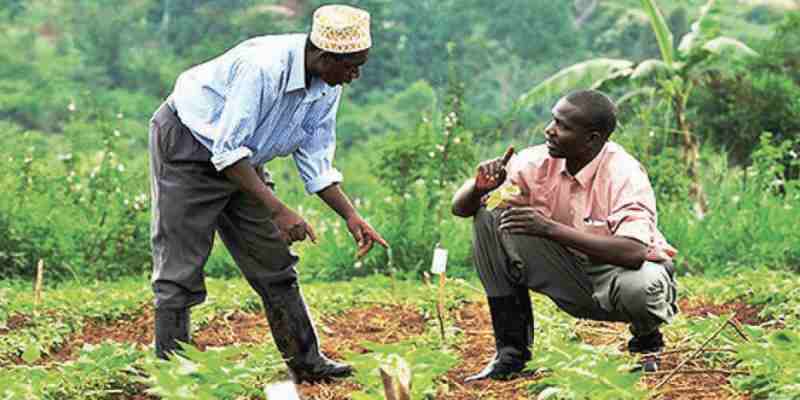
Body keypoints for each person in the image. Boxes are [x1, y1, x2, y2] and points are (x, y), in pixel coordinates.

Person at [148, 4, 388, 383]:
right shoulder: (263, 68)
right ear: (325, 55)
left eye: (360, 65)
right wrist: (278, 210)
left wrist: (351, 215)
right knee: (181, 266)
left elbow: (316, 160)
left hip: (243, 160)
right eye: (351, 66)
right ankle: (171, 377)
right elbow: (226, 150)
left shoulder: (327, 85)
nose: (354, 76)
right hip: (189, 146)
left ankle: (309, 364)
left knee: (275, 263)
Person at [452, 89, 678, 381]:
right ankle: (510, 354)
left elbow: (633, 252)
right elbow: (461, 208)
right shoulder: (535, 162)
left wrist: (549, 228)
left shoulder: (624, 173)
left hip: (617, 275)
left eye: (563, 126)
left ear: (592, 139)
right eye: (553, 120)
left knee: (642, 287)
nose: (549, 130)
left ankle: (646, 339)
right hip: (569, 272)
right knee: (488, 217)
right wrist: (478, 187)